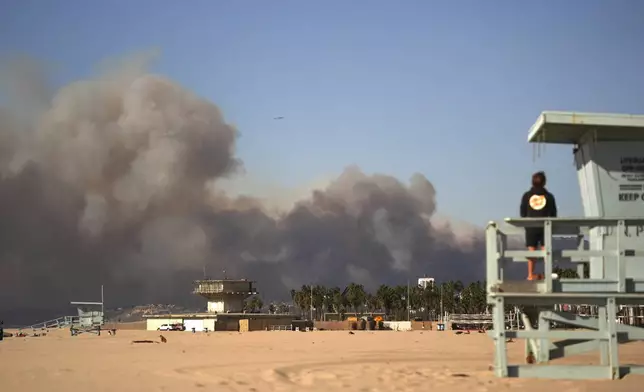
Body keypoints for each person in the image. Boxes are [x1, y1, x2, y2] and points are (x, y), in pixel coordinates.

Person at [520, 171, 558, 280]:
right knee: (546, 250)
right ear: (544, 182)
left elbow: (522, 212)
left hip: (530, 227)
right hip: (545, 227)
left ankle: (530, 274)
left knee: (531, 250)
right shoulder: (549, 197)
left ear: (532, 182)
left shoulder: (526, 196)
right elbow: (553, 213)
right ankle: (548, 274)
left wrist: (526, 223)